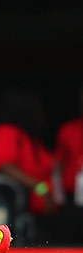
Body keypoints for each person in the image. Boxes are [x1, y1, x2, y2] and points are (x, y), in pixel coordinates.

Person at [0, 88, 58, 245]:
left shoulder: (30, 137)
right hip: (11, 205)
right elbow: (4, 165)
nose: (41, 114)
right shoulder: (6, 132)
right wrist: (39, 187)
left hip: (37, 211)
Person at [54, 84, 83, 244]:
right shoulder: (68, 129)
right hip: (72, 197)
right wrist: (57, 195)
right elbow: (58, 164)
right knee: (69, 242)